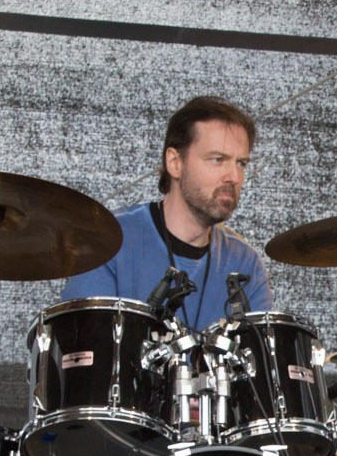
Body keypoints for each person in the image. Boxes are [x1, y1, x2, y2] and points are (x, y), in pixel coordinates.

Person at [62, 95, 273, 326]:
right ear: (175, 163)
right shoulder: (108, 241)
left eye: (241, 163)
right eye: (217, 159)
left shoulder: (247, 264)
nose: (233, 176)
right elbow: (85, 343)